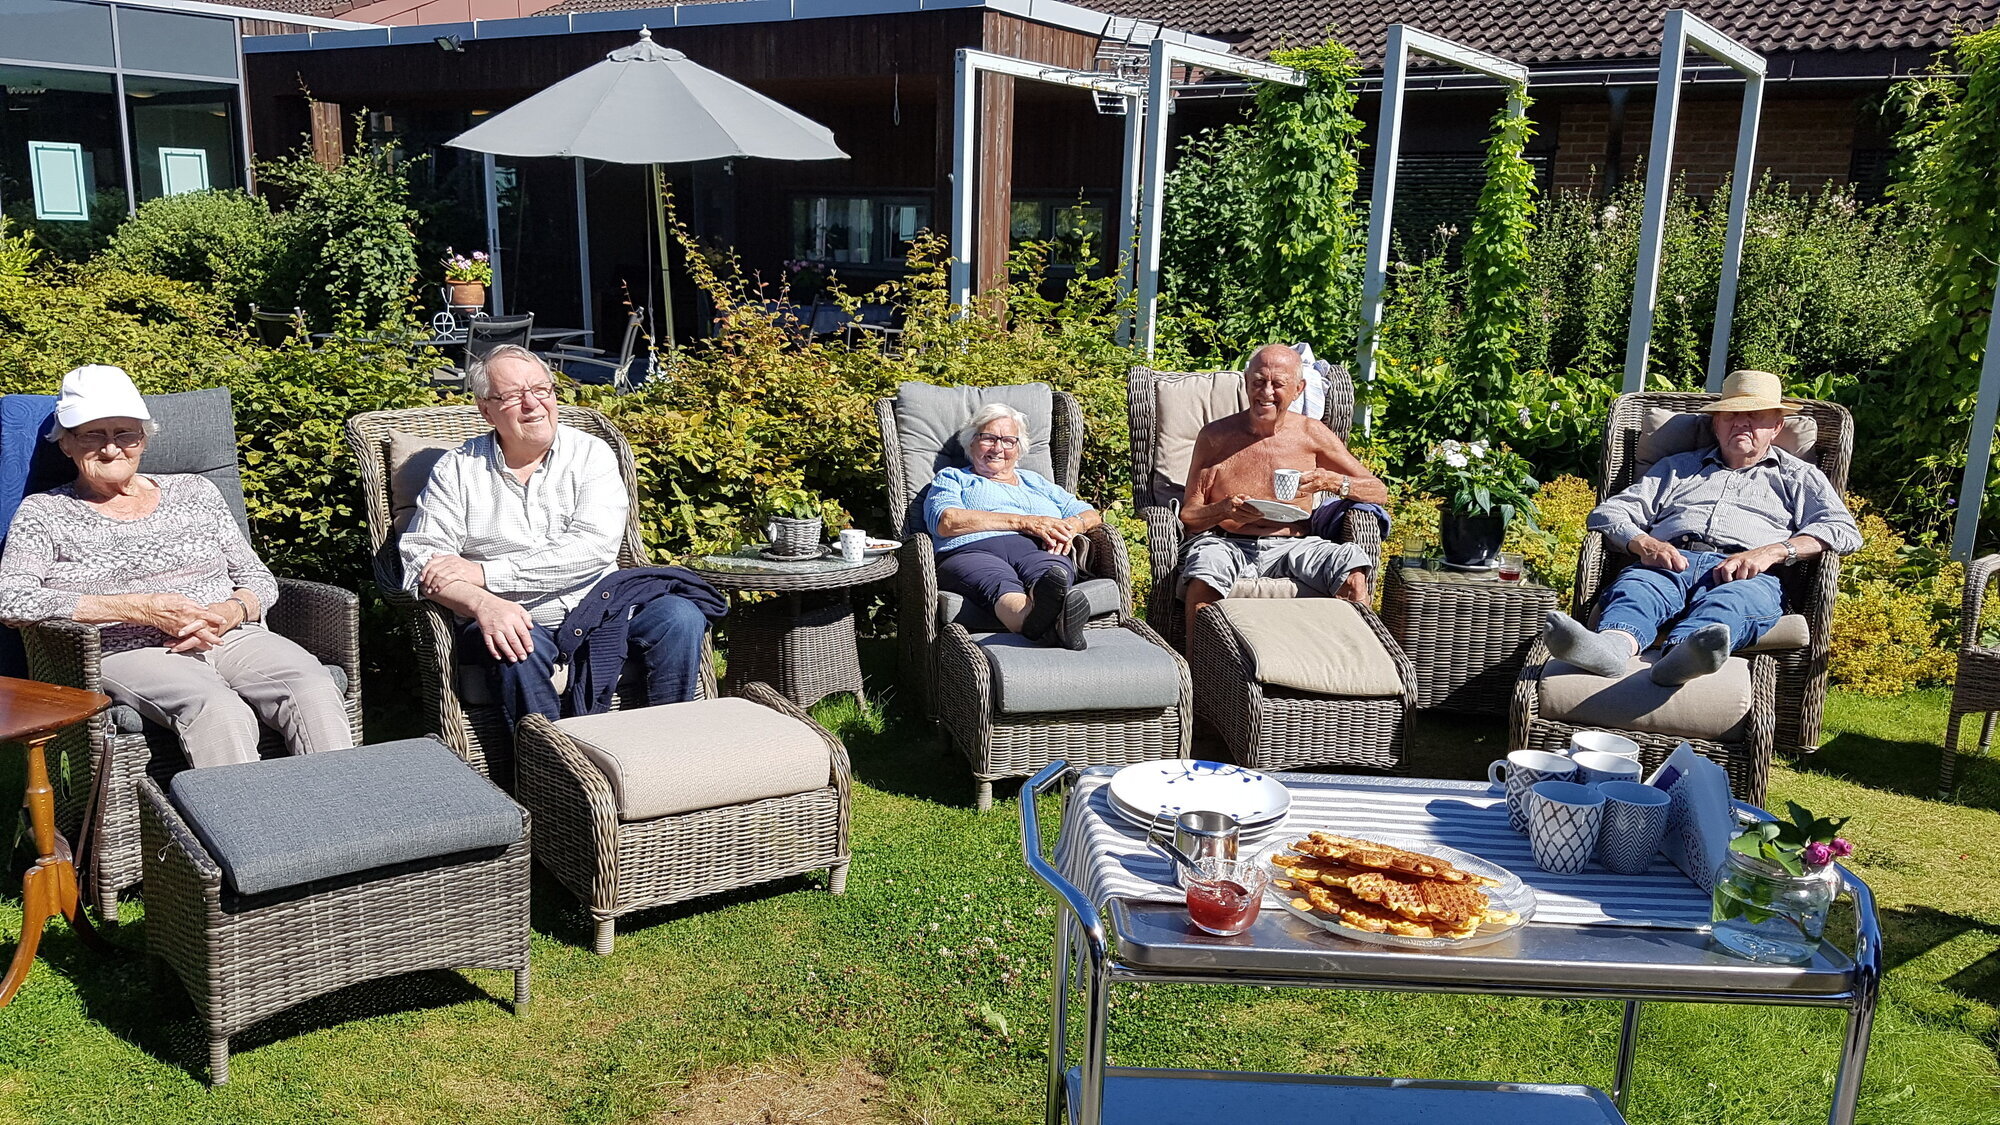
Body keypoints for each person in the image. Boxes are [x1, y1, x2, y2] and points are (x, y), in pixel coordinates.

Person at [0, 365, 354, 767]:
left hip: (228, 634)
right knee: (219, 710)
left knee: (312, 687)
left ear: (144, 439)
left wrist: (231, 611)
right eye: (92, 435)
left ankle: (341, 805)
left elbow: (258, 578)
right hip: (129, 647)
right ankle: (239, 810)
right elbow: (11, 599)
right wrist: (138, 609)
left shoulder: (195, 490)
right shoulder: (45, 512)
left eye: (125, 434)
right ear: (65, 444)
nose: (111, 449)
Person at [399, 345, 719, 726]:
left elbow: (593, 548)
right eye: (514, 395)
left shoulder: (590, 455)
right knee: (514, 646)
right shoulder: (457, 471)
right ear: (486, 410)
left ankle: (669, 740)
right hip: (517, 617)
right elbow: (421, 561)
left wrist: (484, 574)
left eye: (541, 390)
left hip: (603, 608)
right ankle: (550, 756)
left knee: (679, 617)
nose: (533, 404)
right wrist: (483, 603)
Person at [1543, 369, 1861, 687]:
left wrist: (1773, 552)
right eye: (1731, 415)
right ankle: (1611, 650)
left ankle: (1681, 659)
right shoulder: (1677, 467)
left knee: (1731, 605)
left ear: (1776, 426)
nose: (1741, 423)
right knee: (1638, 589)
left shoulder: (1798, 476)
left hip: (1746, 575)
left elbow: (1842, 530)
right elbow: (1608, 513)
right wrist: (1644, 543)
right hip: (1669, 563)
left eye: (1755, 415)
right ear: (1715, 423)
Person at [1177, 343, 1390, 648]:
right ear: (1246, 382)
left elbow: (1377, 490)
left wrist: (1330, 481)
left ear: (1298, 389)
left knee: (1352, 574)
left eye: (1278, 384)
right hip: (1228, 542)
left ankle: (1350, 660)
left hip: (1296, 545)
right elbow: (1190, 515)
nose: (1266, 392)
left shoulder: (1311, 433)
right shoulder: (1216, 436)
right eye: (1258, 381)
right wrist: (1223, 510)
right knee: (1204, 573)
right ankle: (1199, 667)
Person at [925, 403, 1104, 650]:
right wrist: (1024, 522)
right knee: (998, 582)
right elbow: (947, 521)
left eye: (1008, 441)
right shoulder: (953, 477)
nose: (998, 448)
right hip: (973, 551)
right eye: (988, 438)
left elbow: (1090, 514)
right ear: (971, 443)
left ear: (1018, 449)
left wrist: (1072, 526)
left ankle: (1042, 618)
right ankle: (1054, 623)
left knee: (1051, 576)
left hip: (1040, 550)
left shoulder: (1035, 482)